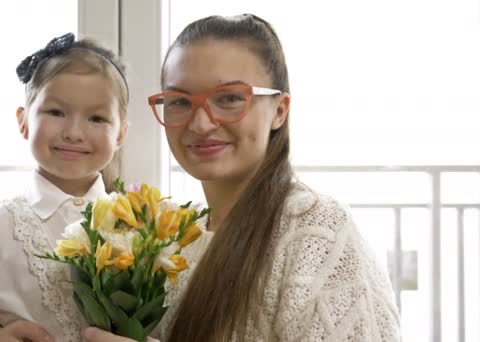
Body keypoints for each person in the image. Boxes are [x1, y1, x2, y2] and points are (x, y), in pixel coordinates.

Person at [83, 14, 400, 341]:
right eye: (179, 101)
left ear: (280, 110)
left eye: (230, 98)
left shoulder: (315, 228)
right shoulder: (173, 238)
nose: (201, 123)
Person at [0, 33, 129, 342]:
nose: (73, 132)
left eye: (97, 118)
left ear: (121, 135)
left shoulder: (141, 226)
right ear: (24, 121)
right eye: (55, 112)